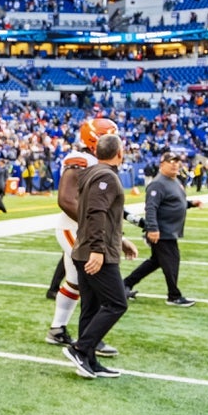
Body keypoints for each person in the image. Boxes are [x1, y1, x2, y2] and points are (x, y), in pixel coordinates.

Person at [45, 118, 124, 358]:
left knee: (76, 282)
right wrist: (94, 229)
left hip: (83, 229)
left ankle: (58, 329)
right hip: (75, 229)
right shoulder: (81, 160)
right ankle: (89, 340)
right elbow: (67, 200)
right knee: (97, 283)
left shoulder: (95, 163)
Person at [63, 133, 139, 379]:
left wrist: (121, 240)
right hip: (95, 251)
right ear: (119, 152)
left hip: (89, 248)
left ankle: (89, 359)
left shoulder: (96, 173)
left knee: (92, 306)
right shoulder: (105, 176)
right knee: (117, 303)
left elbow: (104, 215)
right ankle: (80, 349)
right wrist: (98, 249)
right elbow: (96, 212)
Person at [123, 152, 201, 307]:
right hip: (162, 231)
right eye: (170, 161)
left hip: (169, 230)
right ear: (162, 164)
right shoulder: (158, 184)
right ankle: (174, 295)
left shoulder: (174, 181)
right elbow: (151, 208)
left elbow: (176, 201)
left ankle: (124, 285)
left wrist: (191, 203)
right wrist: (152, 228)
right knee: (172, 261)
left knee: (155, 262)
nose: (174, 164)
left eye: (177, 161)